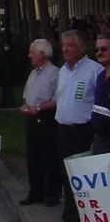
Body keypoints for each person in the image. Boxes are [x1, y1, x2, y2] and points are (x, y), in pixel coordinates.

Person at [55, 30, 104, 222]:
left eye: (70, 45)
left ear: (82, 47)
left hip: (83, 131)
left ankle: (84, 214)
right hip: (63, 129)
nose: (65, 49)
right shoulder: (63, 71)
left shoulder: (94, 70)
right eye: (63, 45)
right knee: (65, 174)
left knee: (82, 176)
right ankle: (70, 213)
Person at [18, 39, 61, 207]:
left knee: (50, 156)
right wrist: (26, 106)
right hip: (32, 118)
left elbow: (57, 99)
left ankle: (52, 193)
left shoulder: (54, 74)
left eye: (32, 52)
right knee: (33, 156)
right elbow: (27, 94)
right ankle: (35, 192)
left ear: (42, 54)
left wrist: (39, 108)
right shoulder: (33, 73)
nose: (29, 55)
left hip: (47, 118)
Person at [92, 34, 110, 154]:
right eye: (96, 50)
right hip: (99, 141)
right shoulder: (100, 76)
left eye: (104, 49)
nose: (99, 53)